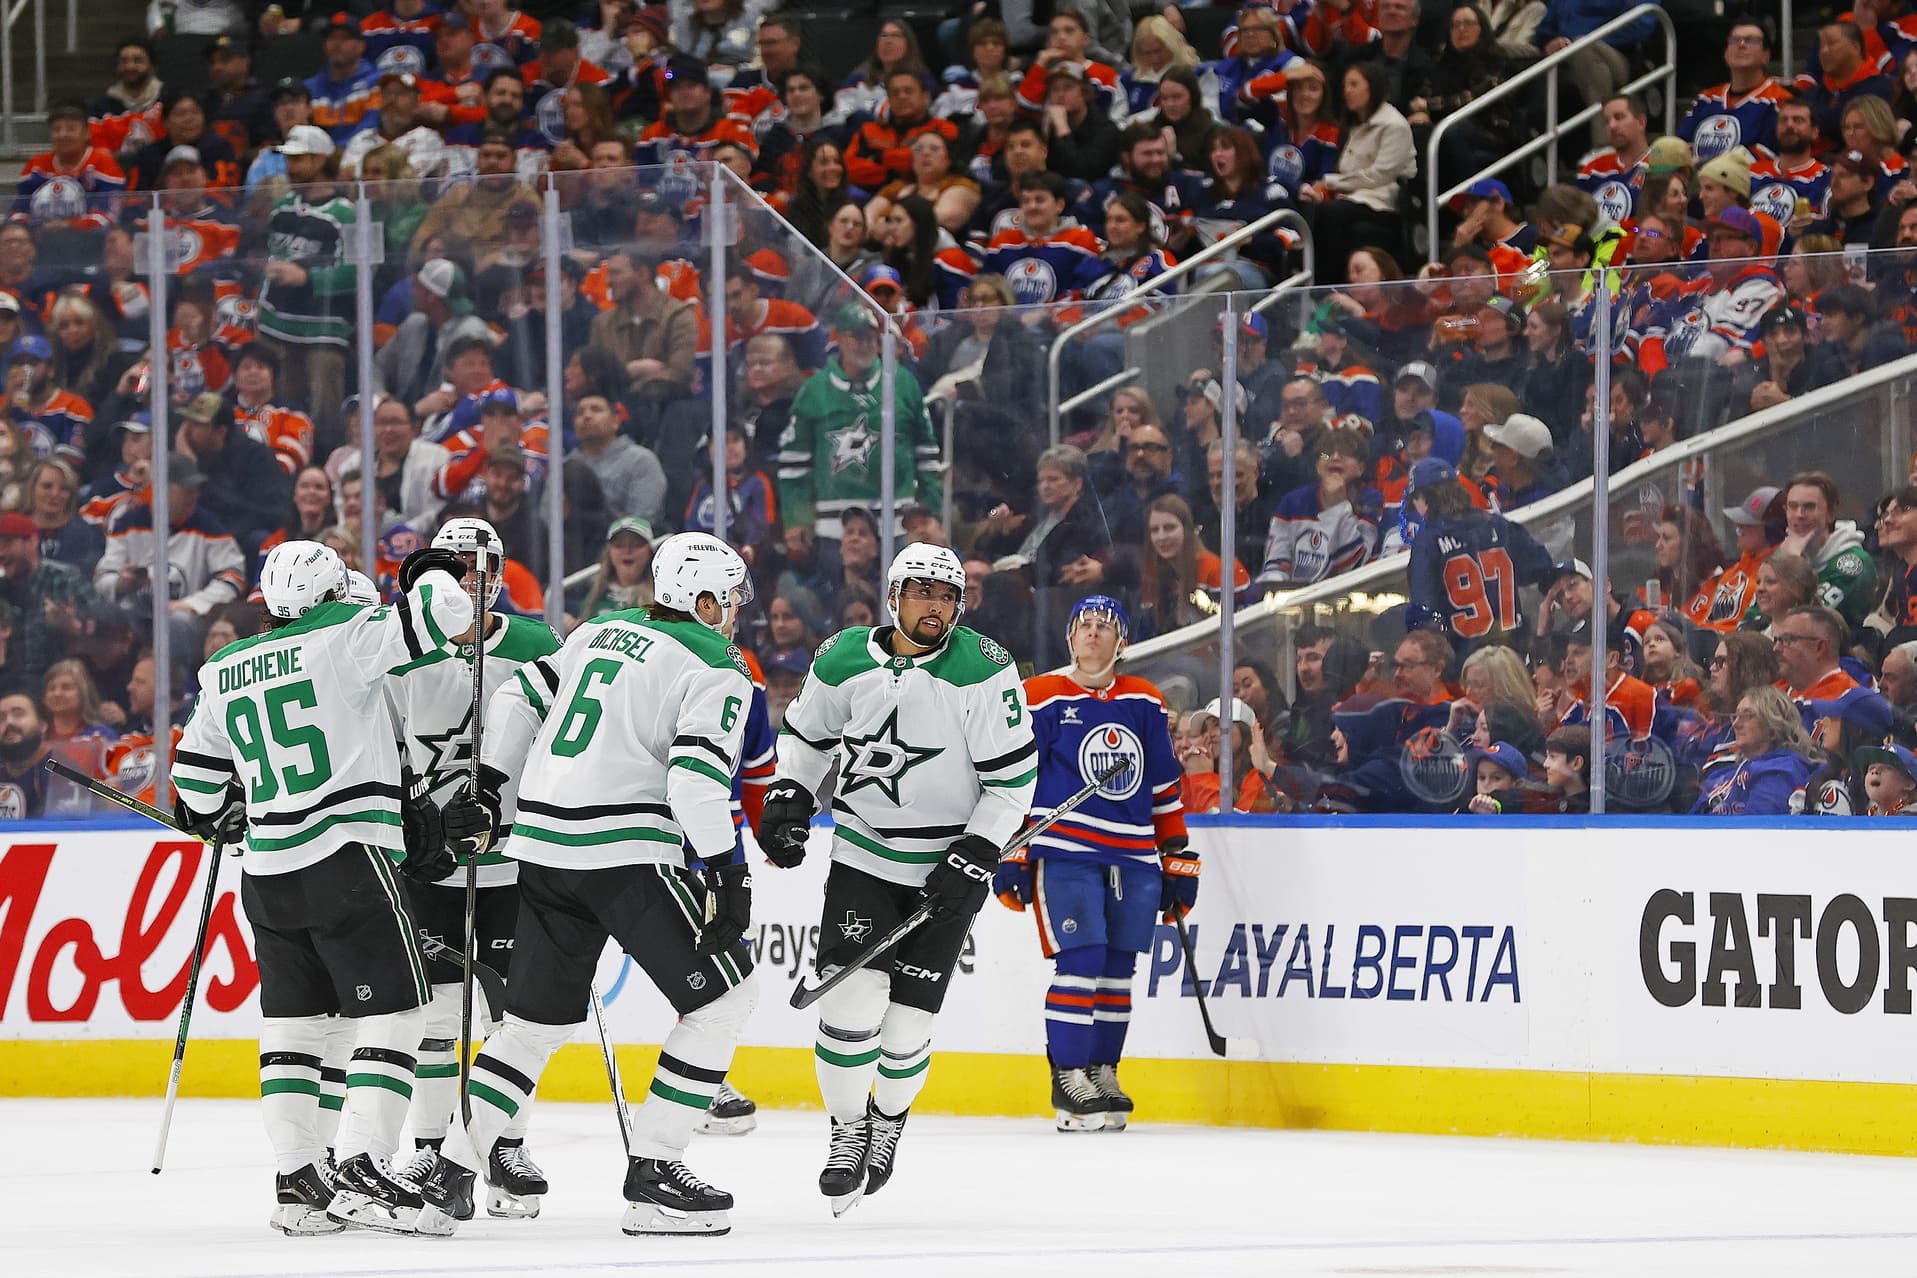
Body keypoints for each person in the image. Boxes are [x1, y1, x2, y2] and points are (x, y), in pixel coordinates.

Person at [431, 532, 760, 1236]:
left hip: (542, 849)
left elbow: (519, 696)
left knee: (526, 1030)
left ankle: (452, 1171)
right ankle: (655, 1172)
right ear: (701, 599)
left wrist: (489, 783)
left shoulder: (604, 629)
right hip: (625, 854)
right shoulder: (718, 663)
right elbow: (695, 780)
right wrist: (728, 872)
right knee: (728, 997)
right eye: (728, 597)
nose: (734, 611)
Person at [171, 539, 474, 1235]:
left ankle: (297, 1180)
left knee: (295, 1025)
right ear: (335, 588)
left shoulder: (222, 667)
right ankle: (364, 1162)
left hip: (268, 871)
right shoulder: (344, 638)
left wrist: (224, 814)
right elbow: (449, 611)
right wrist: (428, 571)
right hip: (347, 859)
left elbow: (195, 786)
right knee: (400, 1013)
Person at [757, 542, 1035, 1215]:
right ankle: (848, 1130)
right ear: (892, 596)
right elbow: (807, 736)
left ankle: (888, 1120)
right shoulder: (843, 656)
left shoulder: (982, 669)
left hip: (945, 865)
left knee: (907, 1025)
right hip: (863, 853)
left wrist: (975, 851)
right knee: (848, 1006)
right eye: (920, 592)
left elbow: (1012, 780)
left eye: (945, 595)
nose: (934, 605)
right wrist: (790, 792)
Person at [383, 519, 562, 1217]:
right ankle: (429, 1144)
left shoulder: (537, 644)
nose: (467, 579)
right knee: (431, 1009)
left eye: (480, 567)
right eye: (454, 567)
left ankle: (503, 1144)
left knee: (516, 1015)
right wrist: (415, 824)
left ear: (499, 574)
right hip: (430, 861)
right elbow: (382, 748)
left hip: (515, 860)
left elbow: (562, 743)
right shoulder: (396, 645)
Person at [1001, 595, 1189, 1131]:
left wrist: (1176, 855)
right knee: (1080, 960)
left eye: (1104, 626)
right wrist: (1013, 849)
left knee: (1117, 969)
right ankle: (1069, 1077)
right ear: (1070, 637)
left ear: (1121, 643)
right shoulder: (1040, 698)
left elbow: (1161, 784)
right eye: (1083, 624)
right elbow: (1014, 780)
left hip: (1133, 854)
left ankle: (1103, 1072)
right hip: (1066, 851)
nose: (1092, 633)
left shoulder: (1145, 701)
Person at [777, 304, 942, 540]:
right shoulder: (814, 390)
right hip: (834, 527)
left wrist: (931, 510)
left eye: (871, 337)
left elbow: (926, 453)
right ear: (841, 339)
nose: (866, 344)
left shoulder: (902, 382)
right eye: (857, 337)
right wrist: (797, 520)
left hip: (898, 522)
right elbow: (794, 464)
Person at [1404, 458, 1553, 649]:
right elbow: (1541, 566)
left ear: (1424, 498)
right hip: (1514, 654)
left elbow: (1423, 613)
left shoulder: (1428, 541)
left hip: (1465, 664)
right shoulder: (1498, 524)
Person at [1691, 685, 1819, 815]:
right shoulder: (1722, 774)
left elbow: (1756, 829)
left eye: (1747, 715)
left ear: (1773, 725)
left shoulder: (1780, 771)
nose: (1735, 724)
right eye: (1736, 716)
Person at [1857, 741, 1917, 815]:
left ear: (1909, 784)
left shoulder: (1912, 818)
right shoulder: (1866, 816)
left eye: (1887, 768)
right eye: (1871, 768)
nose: (1875, 771)